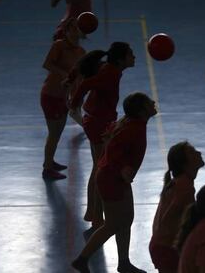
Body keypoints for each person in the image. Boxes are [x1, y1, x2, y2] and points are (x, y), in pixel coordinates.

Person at [72, 92, 157, 273]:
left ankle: (124, 262)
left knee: (126, 220)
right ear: (142, 110)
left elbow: (109, 137)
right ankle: (82, 259)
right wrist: (122, 171)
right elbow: (113, 154)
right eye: (150, 102)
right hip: (112, 179)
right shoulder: (132, 129)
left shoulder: (131, 123)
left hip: (115, 177)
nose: (154, 102)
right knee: (112, 224)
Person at [69, 42, 135, 228]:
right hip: (98, 123)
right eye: (131, 54)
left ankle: (94, 213)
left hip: (98, 120)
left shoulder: (110, 69)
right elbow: (86, 83)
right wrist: (74, 104)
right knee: (100, 170)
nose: (134, 57)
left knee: (98, 167)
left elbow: (84, 73)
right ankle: (96, 216)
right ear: (122, 59)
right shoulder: (110, 73)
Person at [149, 142, 205, 273]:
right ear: (185, 164)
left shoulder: (178, 182)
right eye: (192, 152)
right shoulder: (185, 187)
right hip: (168, 249)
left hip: (161, 246)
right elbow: (170, 218)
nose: (199, 153)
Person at [40, 18, 85, 180]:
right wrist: (65, 74)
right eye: (71, 28)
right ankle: (47, 168)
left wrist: (76, 97)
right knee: (53, 133)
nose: (75, 31)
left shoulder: (81, 52)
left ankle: (50, 161)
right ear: (66, 31)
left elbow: (80, 77)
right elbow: (47, 64)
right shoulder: (59, 45)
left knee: (57, 133)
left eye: (77, 29)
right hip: (51, 95)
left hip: (63, 97)